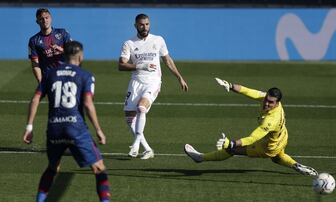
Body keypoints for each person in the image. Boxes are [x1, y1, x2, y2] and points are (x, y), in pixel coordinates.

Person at [23, 41, 120, 202]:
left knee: (53, 167)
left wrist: (29, 127)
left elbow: (35, 98)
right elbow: (88, 104)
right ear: (81, 56)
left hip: (54, 128)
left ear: (63, 55)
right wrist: (99, 130)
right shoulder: (85, 75)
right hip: (76, 129)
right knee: (99, 168)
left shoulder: (49, 74)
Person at [184, 78, 318, 177]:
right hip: (282, 137)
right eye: (266, 99)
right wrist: (230, 86)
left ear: (277, 103)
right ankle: (296, 165)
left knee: (232, 150)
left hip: (267, 147)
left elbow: (253, 138)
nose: (266, 103)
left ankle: (200, 158)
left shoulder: (271, 120)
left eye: (270, 102)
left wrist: (231, 143)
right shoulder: (271, 100)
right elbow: (251, 92)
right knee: (277, 157)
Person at [118, 13, 188, 159]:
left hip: (153, 81)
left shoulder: (158, 40)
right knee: (129, 118)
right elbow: (121, 65)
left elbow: (167, 60)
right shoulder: (129, 43)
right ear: (135, 25)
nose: (145, 27)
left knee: (141, 108)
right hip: (136, 82)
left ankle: (136, 144)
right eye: (142, 24)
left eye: (147, 24)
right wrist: (141, 65)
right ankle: (148, 149)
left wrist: (179, 77)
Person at [28, 8, 72, 83]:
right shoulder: (33, 40)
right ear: (37, 22)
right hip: (49, 78)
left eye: (47, 18)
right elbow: (35, 63)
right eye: (41, 19)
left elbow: (73, 53)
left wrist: (61, 50)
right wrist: (40, 81)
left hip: (66, 74)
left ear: (51, 18)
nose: (45, 20)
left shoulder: (63, 33)